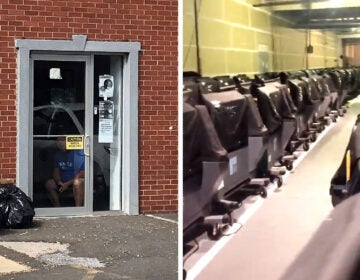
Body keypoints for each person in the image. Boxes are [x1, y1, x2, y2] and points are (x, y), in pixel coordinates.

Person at [44, 136, 85, 207]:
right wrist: (59, 181)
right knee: (49, 184)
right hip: (63, 181)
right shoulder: (57, 155)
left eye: (63, 141)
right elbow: (56, 172)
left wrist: (67, 184)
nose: (60, 143)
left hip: (75, 180)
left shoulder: (78, 154)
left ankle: (78, 208)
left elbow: (82, 173)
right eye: (58, 141)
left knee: (77, 182)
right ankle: (58, 208)